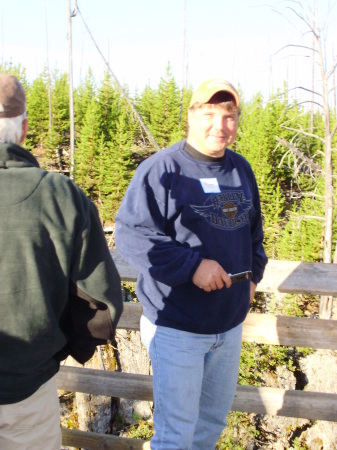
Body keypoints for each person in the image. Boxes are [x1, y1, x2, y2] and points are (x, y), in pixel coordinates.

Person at [115, 78, 268, 449]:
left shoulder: (240, 169)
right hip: (177, 328)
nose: (220, 125)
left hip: (228, 328)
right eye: (210, 114)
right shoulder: (162, 169)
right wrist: (192, 267)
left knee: (210, 426)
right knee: (175, 434)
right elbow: (131, 235)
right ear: (191, 115)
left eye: (229, 116)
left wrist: (253, 279)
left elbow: (254, 234)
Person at [0, 73, 123, 450]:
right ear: (22, 130)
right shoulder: (58, 195)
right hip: (27, 390)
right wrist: (63, 348)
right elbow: (98, 302)